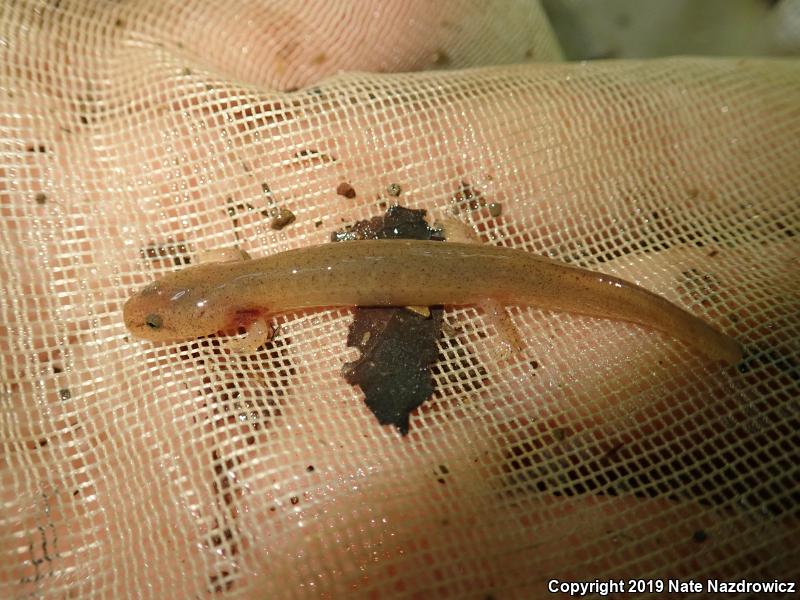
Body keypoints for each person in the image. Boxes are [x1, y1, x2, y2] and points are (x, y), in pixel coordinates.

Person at [2, 1, 797, 597]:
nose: (153, 324)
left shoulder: (242, 309)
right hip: (471, 271)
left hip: (480, 278)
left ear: (211, 307)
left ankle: (704, 337)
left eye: (156, 319)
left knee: (584, 294)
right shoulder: (239, 283)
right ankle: (705, 339)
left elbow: (243, 337)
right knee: (529, 283)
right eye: (155, 315)